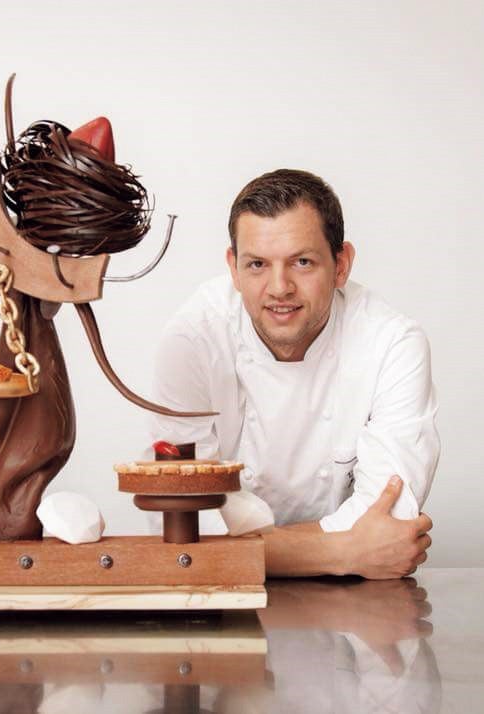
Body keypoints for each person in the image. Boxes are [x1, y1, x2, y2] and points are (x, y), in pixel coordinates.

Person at [149, 169, 439, 579]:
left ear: (341, 265)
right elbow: (182, 528)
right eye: (257, 264)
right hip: (229, 597)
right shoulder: (192, 341)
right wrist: (344, 551)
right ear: (233, 268)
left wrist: (234, 552)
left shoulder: (392, 343)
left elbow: (391, 522)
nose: (279, 288)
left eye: (302, 262)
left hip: (352, 600)